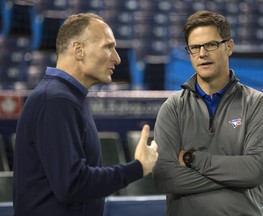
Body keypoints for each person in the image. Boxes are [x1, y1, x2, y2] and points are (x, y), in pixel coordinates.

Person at [13, 13, 158, 216]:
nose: (117, 58)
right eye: (108, 47)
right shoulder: (57, 100)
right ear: (79, 50)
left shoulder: (66, 97)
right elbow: (72, 184)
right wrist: (138, 168)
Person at [152, 10, 263, 216]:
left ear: (229, 47)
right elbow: (165, 178)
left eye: (211, 45)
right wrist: (234, 178)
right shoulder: (172, 107)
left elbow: (254, 172)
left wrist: (193, 159)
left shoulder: (258, 104)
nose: (202, 53)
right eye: (194, 48)